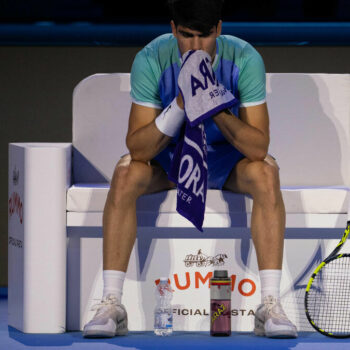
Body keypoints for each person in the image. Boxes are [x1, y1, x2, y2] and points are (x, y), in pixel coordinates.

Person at [83, 0, 297, 339]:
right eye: (186, 35)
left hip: (226, 162)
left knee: (266, 173)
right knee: (125, 172)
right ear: (173, 30)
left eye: (205, 36)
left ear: (219, 30)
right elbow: (138, 148)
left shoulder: (245, 58)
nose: (195, 46)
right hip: (169, 160)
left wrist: (213, 106)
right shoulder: (151, 58)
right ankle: (111, 304)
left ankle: (269, 305)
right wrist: (182, 104)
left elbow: (258, 147)